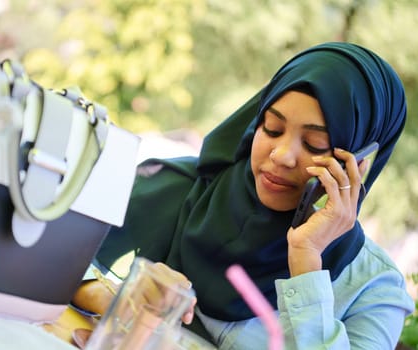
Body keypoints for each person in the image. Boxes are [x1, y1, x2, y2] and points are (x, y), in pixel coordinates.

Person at [72, 42, 415, 349]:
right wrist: (105, 295)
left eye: (315, 144)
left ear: (357, 164)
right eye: (272, 128)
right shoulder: (182, 185)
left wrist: (307, 264)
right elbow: (47, 248)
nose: (281, 155)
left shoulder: (374, 290)